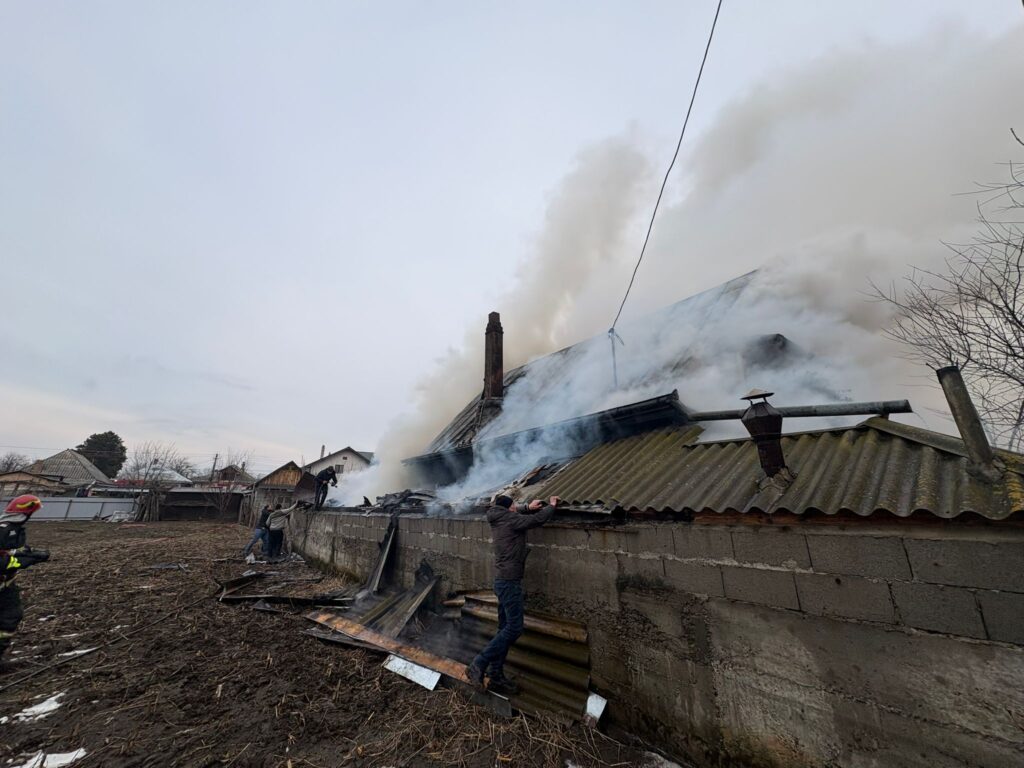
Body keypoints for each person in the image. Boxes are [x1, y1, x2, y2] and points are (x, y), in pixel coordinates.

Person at [466, 494, 558, 696]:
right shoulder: (510, 519)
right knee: (514, 628)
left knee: (504, 628)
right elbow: (537, 520)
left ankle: (496, 675)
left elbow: (516, 514)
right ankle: (478, 663)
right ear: (509, 509)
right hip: (509, 583)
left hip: (502, 581)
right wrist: (551, 506)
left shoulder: (498, 517)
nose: (516, 507)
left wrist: (527, 507)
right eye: (515, 506)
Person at [1, 495, 50, 670]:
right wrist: (25, 561)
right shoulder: (3, 530)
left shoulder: (15, 530)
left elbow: (11, 550)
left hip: (6, 587)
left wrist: (31, 553)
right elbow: (3, 561)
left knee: (10, 618)